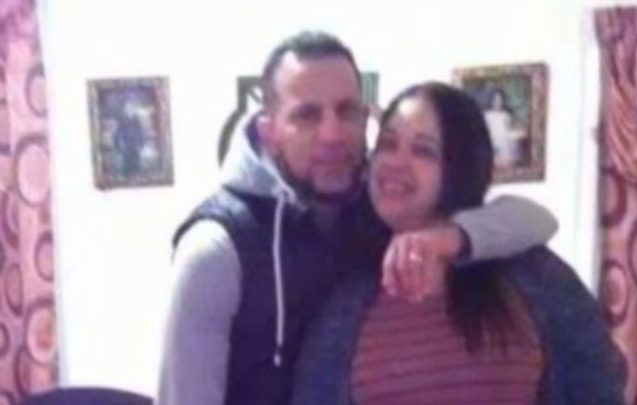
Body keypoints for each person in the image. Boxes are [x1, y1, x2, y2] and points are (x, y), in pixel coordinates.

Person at [157, 32, 558, 405]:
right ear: (269, 132)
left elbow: (535, 219)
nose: (333, 134)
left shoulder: (379, 203)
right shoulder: (216, 250)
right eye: (307, 115)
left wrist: (452, 237)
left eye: (347, 111)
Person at [291, 82, 624, 405]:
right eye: (387, 144)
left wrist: (451, 239)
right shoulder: (347, 291)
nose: (395, 162)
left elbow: (597, 386)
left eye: (423, 150)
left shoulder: (531, 272)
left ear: (460, 167)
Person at [483, 88, 525, 167]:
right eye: (495, 100)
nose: (498, 102)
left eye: (500, 100)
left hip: (505, 145)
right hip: (492, 144)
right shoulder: (487, 115)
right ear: (491, 100)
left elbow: (508, 130)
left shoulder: (506, 115)